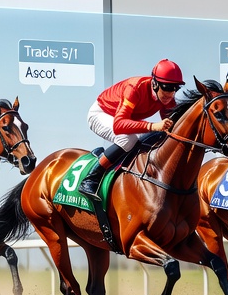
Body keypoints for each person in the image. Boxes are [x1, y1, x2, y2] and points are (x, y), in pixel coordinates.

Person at [77, 59, 183, 200]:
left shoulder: (167, 98)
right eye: (167, 87)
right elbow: (119, 124)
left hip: (125, 119)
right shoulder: (134, 88)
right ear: (155, 83)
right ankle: (91, 179)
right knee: (128, 139)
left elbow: (171, 129)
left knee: (157, 137)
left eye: (176, 88)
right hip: (102, 113)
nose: (171, 94)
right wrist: (152, 126)